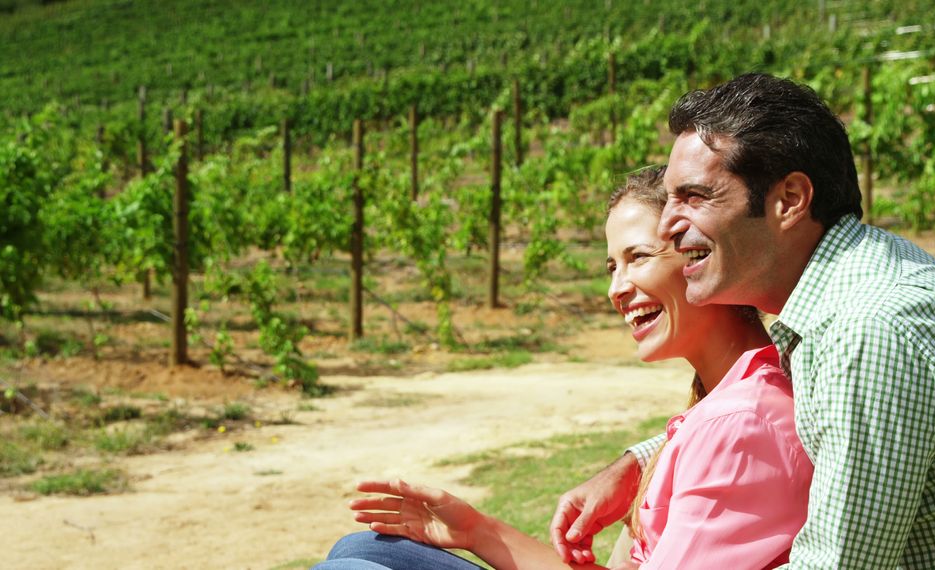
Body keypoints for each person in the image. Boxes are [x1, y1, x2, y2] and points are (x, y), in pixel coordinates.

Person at [549, 73, 935, 568]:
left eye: (694, 197)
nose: (668, 222)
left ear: (790, 201)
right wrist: (637, 464)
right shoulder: (851, 285)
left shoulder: (867, 327)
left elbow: (838, 563)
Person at [313, 167, 814, 569]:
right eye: (612, 266)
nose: (616, 288)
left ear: (700, 258)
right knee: (363, 549)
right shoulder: (724, 399)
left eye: (637, 257)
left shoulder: (738, 423)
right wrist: (476, 530)